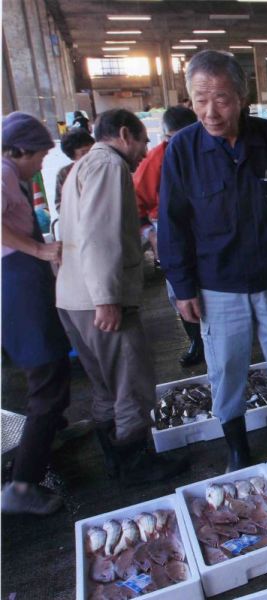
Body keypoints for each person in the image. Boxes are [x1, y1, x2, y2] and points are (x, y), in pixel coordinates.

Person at [158, 50, 267, 471]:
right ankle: (237, 448)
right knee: (227, 369)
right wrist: (182, 287)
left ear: (242, 96)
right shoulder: (182, 150)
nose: (211, 112)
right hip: (217, 285)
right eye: (200, 100)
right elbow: (172, 224)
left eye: (222, 99)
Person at [56, 109, 190, 486]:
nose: (146, 149)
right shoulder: (109, 166)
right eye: (144, 141)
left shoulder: (82, 166)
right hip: (99, 299)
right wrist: (107, 299)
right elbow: (100, 235)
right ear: (125, 134)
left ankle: (116, 461)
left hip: (73, 297)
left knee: (104, 386)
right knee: (131, 383)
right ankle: (136, 465)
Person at [1, 113, 71, 514]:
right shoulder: (5, 171)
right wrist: (40, 250)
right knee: (48, 380)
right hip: (17, 285)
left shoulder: (13, 173)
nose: (42, 164)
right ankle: (22, 486)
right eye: (41, 156)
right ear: (21, 149)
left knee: (49, 373)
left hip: (21, 283)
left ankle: (45, 437)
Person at [132, 105, 202, 367]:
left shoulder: (210, 149)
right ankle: (197, 341)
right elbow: (135, 201)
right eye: (173, 140)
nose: (181, 144)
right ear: (165, 138)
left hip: (209, 226)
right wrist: (151, 234)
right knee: (181, 289)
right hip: (170, 229)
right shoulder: (157, 159)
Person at [54, 128, 95, 212]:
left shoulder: (103, 168)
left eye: (92, 150)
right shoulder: (64, 173)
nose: (90, 156)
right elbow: (59, 204)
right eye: (83, 153)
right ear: (72, 156)